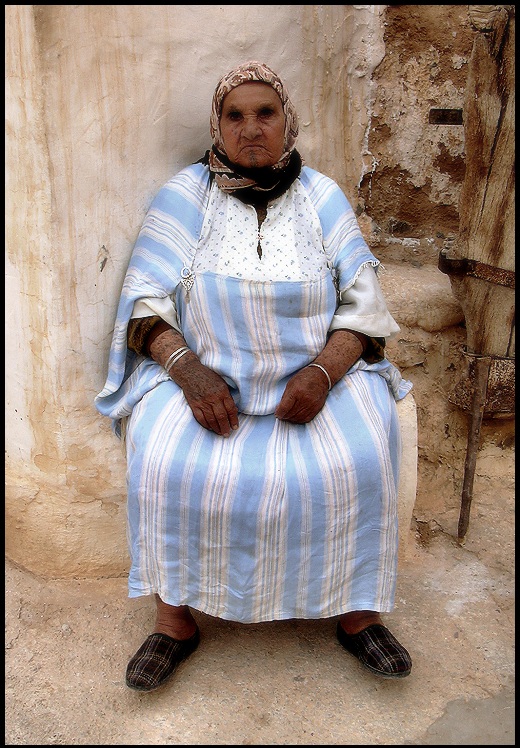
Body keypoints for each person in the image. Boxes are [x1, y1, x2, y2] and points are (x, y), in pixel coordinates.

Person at [95, 60, 413, 692]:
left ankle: (358, 615)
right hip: (210, 383)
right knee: (162, 456)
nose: (251, 129)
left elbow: (365, 309)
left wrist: (324, 372)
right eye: (235, 115)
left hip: (318, 380)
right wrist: (187, 370)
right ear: (217, 126)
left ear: (286, 121)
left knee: (365, 453)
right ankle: (174, 619)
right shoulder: (185, 197)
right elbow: (146, 306)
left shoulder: (321, 196)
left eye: (265, 113)